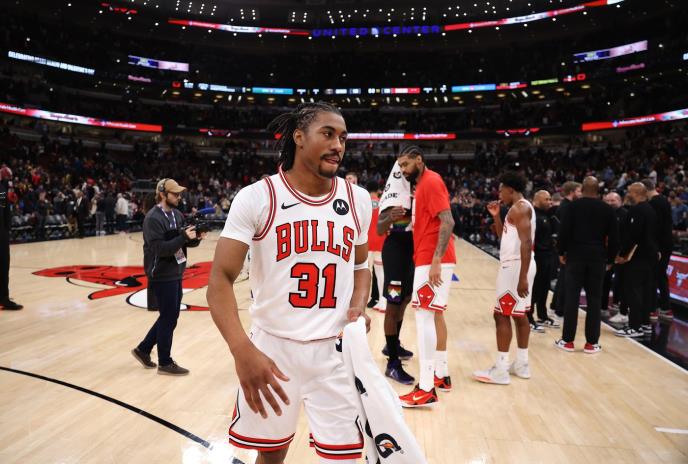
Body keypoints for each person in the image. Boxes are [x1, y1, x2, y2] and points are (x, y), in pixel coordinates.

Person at [207, 102, 372, 464]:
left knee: (344, 458)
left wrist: (359, 305)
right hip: (273, 349)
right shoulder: (258, 197)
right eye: (327, 134)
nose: (338, 145)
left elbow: (362, 265)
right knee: (271, 456)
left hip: (334, 351)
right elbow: (219, 279)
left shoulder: (358, 200)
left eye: (343, 138)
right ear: (299, 137)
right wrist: (241, 350)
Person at [396, 146, 455, 407]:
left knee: (423, 317)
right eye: (400, 166)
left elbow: (448, 221)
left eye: (406, 164)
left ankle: (426, 387)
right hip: (427, 255)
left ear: (419, 160)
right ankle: (441, 374)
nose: (403, 170)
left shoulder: (430, 181)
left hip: (431, 257)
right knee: (434, 314)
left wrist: (436, 260)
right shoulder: (422, 185)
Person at [131, 178, 203, 375]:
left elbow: (183, 242)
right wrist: (183, 237)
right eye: (175, 194)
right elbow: (161, 249)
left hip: (176, 271)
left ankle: (143, 349)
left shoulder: (177, 214)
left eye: (179, 194)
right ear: (163, 194)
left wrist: (196, 237)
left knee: (169, 316)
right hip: (161, 273)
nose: (179, 197)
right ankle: (164, 362)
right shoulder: (152, 219)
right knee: (169, 317)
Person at [474, 171, 535, 385]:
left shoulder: (520, 208)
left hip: (516, 266)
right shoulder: (517, 208)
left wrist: (522, 277)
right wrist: (496, 217)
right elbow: (504, 238)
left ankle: (500, 370)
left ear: (510, 189)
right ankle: (522, 364)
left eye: (501, 190)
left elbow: (526, 243)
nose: (499, 194)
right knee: (519, 315)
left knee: (501, 315)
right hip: (519, 264)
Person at [555, 177, 619, 354]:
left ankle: (568, 341)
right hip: (597, 257)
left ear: (582, 189)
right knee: (595, 300)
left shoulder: (572, 207)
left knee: (572, 298)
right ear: (598, 190)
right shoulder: (607, 209)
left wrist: (561, 252)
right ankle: (591, 343)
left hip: (575, 255)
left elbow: (563, 232)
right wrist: (610, 260)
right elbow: (614, 238)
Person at [377, 160, 416, 385]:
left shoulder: (414, 193)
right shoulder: (392, 197)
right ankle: (392, 363)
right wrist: (390, 217)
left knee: (405, 298)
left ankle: (392, 344)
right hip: (395, 253)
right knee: (393, 304)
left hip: (411, 252)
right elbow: (379, 228)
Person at [615, 183, 659, 338]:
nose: (628, 194)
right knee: (645, 291)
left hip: (637, 257)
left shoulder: (637, 210)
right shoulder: (651, 209)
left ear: (636, 193)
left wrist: (622, 254)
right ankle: (645, 323)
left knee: (633, 291)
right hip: (649, 256)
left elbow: (633, 235)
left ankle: (635, 326)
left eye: (630, 192)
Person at [643, 179, 673, 320]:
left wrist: (656, 247)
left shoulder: (655, 203)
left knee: (654, 276)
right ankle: (665, 308)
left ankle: (652, 309)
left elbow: (657, 227)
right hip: (665, 244)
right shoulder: (663, 200)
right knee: (660, 276)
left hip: (660, 246)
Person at [551, 181, 581, 319]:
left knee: (562, 278)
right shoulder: (568, 207)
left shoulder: (565, 206)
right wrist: (563, 250)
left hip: (564, 246)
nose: (581, 194)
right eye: (579, 191)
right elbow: (564, 231)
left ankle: (555, 305)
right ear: (572, 192)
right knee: (565, 280)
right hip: (567, 248)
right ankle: (560, 309)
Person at [531, 190, 558, 328]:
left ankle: (542, 315)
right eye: (546, 199)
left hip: (547, 256)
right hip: (537, 257)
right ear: (537, 200)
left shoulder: (547, 216)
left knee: (544, 287)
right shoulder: (533, 216)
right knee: (535, 287)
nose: (549, 202)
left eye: (550, 199)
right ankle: (528, 316)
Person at [603, 192, 629, 324]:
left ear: (620, 201)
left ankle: (620, 307)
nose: (609, 203)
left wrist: (622, 253)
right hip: (606, 252)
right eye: (607, 200)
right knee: (605, 280)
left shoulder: (625, 214)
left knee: (620, 281)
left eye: (612, 200)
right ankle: (603, 306)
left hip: (620, 254)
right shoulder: (604, 213)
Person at [0, 166, 22, 310]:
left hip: (2, 231)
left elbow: (4, 207)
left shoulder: (2, 189)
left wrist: (6, 228)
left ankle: (3, 297)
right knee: (3, 265)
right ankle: (3, 297)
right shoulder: (1, 189)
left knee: (3, 265)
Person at [365, 180, 386, 312]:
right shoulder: (383, 203)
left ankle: (361, 301)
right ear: (378, 190)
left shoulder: (364, 202)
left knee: (363, 272)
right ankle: (383, 303)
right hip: (380, 241)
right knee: (380, 273)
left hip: (366, 242)